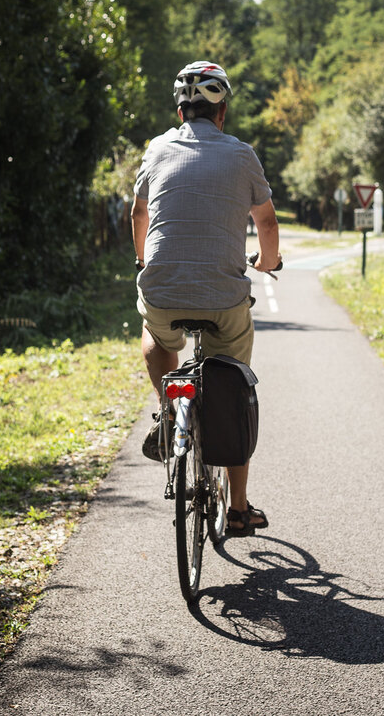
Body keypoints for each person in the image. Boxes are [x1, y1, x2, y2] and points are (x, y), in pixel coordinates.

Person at [132, 60, 281, 536]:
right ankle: (238, 509)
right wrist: (267, 262)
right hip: (223, 297)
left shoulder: (156, 150)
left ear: (180, 112)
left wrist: (143, 261)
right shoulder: (241, 155)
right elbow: (268, 224)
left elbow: (139, 213)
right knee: (234, 385)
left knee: (156, 335)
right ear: (221, 114)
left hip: (162, 289)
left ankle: (168, 404)